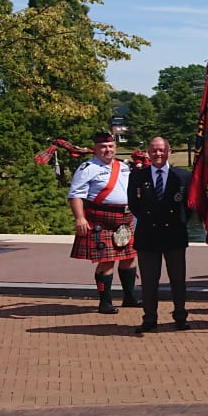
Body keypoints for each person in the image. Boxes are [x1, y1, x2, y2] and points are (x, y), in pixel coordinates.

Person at [68, 132, 138, 314]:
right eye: (103, 147)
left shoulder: (123, 166)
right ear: (96, 149)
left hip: (126, 219)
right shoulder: (87, 168)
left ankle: (129, 297)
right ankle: (105, 302)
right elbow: (76, 194)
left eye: (111, 146)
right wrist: (79, 218)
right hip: (102, 220)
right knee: (106, 261)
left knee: (129, 259)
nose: (108, 150)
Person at [128, 137, 192, 333]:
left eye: (162, 150)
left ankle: (180, 316)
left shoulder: (182, 176)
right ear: (148, 152)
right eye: (154, 150)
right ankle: (149, 318)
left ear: (169, 151)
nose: (158, 154)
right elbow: (134, 205)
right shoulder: (138, 176)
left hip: (174, 234)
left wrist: (178, 222)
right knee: (148, 281)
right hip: (148, 234)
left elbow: (188, 207)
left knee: (178, 280)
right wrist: (150, 220)